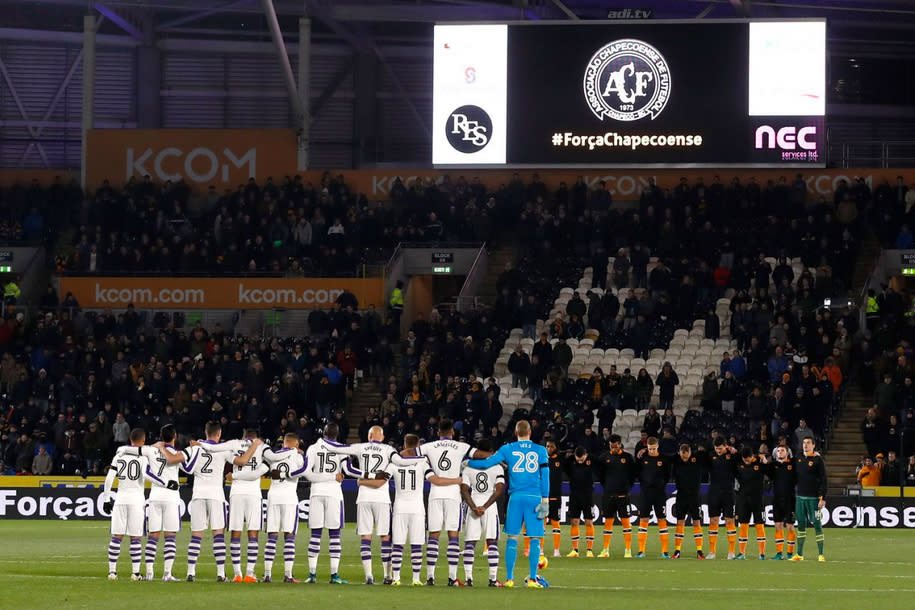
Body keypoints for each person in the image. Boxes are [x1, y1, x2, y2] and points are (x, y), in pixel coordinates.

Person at [361, 434, 459, 586]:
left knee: (398, 545)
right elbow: (436, 481)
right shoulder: (422, 463)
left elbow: (380, 482)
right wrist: (457, 480)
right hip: (417, 509)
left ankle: (396, 578)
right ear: (418, 445)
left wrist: (362, 480)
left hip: (400, 508)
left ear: (404, 444)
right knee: (416, 545)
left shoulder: (394, 464)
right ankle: (416, 579)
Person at [466, 420, 550, 589]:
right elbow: (545, 475)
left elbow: (486, 463)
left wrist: (468, 463)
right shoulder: (541, 450)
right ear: (530, 433)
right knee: (534, 539)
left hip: (516, 498)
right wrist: (545, 500)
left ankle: (510, 579)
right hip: (534, 497)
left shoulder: (508, 449)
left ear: (515, 433)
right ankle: (533, 579)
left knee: (512, 538)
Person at [183, 422, 262, 582]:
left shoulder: (196, 448)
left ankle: (190, 572)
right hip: (216, 496)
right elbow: (241, 461)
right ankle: (220, 574)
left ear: (206, 432)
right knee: (218, 535)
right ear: (219, 434)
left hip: (198, 494)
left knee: (196, 535)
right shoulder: (224, 451)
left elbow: (186, 467)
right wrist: (255, 446)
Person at [102, 428, 171, 581]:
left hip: (120, 499)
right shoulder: (143, 457)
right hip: (136, 500)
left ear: (130, 439)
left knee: (116, 537)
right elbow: (147, 475)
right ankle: (135, 573)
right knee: (135, 538)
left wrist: (107, 499)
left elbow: (109, 478)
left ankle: (112, 572)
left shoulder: (119, 454)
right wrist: (165, 483)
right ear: (143, 440)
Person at [415, 419, 473, 586]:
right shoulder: (462, 446)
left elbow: (409, 453)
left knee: (433, 535)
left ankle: (430, 577)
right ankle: (452, 578)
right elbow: (479, 454)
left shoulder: (428, 446)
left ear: (438, 432)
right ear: (453, 432)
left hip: (435, 494)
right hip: (453, 495)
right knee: (453, 535)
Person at [303, 422, 363, 584]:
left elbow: (306, 473)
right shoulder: (341, 448)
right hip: (334, 494)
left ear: (323, 433)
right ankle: (334, 575)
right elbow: (349, 470)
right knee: (334, 535)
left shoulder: (312, 448)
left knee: (315, 535)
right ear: (337, 434)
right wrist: (368, 474)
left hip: (316, 493)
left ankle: (312, 575)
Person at [138, 424, 190, 581]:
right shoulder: (176, 453)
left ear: (161, 436)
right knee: (170, 535)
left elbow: (144, 467)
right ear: (175, 437)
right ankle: (167, 574)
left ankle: (149, 573)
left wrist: (156, 446)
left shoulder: (152, 450)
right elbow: (188, 469)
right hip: (171, 497)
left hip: (154, 495)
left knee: (153, 535)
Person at [350, 425, 398, 584]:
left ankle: (369, 576)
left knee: (366, 537)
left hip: (364, 498)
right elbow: (380, 483)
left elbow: (344, 451)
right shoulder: (388, 450)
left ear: (369, 436)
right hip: (382, 500)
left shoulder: (361, 448)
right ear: (382, 437)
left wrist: (361, 481)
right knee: (385, 536)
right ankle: (387, 576)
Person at [261, 432, 308, 583]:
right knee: (289, 536)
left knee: (272, 536)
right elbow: (305, 470)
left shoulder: (273, 455)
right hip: (289, 498)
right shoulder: (298, 457)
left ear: (284, 443)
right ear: (296, 444)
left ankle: (267, 574)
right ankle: (288, 575)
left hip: (273, 496)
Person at [460, 438, 505, 587]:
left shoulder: (468, 468)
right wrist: (485, 506)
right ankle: (492, 579)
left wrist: (473, 507)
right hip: (489, 506)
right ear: (491, 452)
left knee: (470, 543)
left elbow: (464, 490)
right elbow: (499, 490)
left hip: (474, 502)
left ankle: (468, 579)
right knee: (492, 542)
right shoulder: (497, 468)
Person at [225, 429, 268, 582]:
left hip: (236, 492)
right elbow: (260, 471)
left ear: (244, 437)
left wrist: (234, 476)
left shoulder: (234, 448)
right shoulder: (262, 448)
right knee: (253, 534)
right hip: (253, 494)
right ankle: (249, 573)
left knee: (235, 533)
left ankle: (237, 574)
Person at [595, 434, 635, 558]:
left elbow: (633, 475)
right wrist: (607, 487)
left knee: (626, 522)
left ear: (619, 444)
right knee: (608, 522)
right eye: (611, 446)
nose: (613, 448)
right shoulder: (603, 457)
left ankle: (628, 550)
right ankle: (605, 550)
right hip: (608, 495)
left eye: (615, 446)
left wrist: (627, 488)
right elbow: (600, 475)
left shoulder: (627, 457)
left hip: (623, 495)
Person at [791, 437, 827, 562]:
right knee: (800, 525)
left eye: (808, 443)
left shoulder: (818, 460)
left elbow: (824, 480)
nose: (805, 445)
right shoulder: (798, 458)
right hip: (800, 498)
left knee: (817, 524)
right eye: (804, 443)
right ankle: (799, 555)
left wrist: (822, 498)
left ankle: (821, 554)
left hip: (813, 499)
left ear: (813, 445)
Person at [634, 437, 671, 558]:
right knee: (643, 520)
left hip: (659, 494)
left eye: (654, 449)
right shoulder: (642, 457)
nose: (652, 451)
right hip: (645, 493)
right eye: (650, 449)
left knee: (661, 520)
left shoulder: (664, 459)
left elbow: (667, 475)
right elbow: (638, 473)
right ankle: (641, 551)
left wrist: (660, 485)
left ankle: (665, 551)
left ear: (658, 446)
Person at [704, 437, 738, 559]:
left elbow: (742, 459)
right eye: (716, 448)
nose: (718, 451)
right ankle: (712, 551)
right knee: (713, 520)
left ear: (725, 446)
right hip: (714, 492)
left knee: (729, 520)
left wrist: (735, 450)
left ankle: (732, 551)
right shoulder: (710, 455)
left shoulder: (732, 455)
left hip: (728, 492)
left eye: (720, 448)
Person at [671, 443, 706, 559]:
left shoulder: (699, 458)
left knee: (696, 522)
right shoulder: (676, 458)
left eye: (686, 457)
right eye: (682, 456)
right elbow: (662, 456)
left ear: (690, 452)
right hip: (681, 496)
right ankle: (677, 551)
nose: (684, 459)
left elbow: (710, 454)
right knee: (680, 522)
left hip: (695, 497)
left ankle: (699, 551)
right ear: (679, 453)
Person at [735, 447, 770, 560]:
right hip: (743, 499)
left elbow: (770, 473)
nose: (746, 462)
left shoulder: (759, 463)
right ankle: (741, 553)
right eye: (744, 460)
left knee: (759, 525)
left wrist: (765, 463)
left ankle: (762, 553)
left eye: (748, 459)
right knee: (743, 525)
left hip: (757, 499)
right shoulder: (739, 463)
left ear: (752, 456)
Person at [563, 446, 596, 557]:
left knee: (589, 522)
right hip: (574, 496)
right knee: (574, 522)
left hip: (588, 496)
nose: (580, 461)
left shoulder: (593, 460)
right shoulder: (570, 461)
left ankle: (589, 550)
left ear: (586, 455)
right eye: (578, 459)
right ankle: (575, 550)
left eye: (582, 459)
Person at [770, 446, 797, 559]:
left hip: (790, 500)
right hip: (777, 499)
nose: (780, 452)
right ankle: (779, 553)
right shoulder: (773, 466)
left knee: (790, 526)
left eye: (782, 451)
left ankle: (790, 553)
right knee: (778, 526)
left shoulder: (793, 465)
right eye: (778, 451)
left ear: (787, 453)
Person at [545, 440, 564, 557]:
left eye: (551, 446)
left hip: (556, 497)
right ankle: (540, 549)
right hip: (543, 498)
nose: (549, 448)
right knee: (541, 524)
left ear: (555, 447)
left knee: (555, 523)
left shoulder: (561, 460)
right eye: (547, 446)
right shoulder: (541, 459)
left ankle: (556, 550)